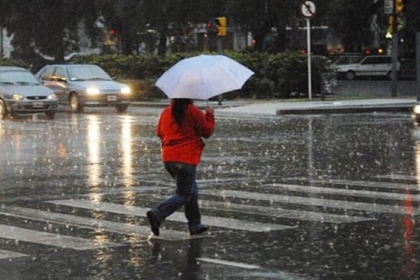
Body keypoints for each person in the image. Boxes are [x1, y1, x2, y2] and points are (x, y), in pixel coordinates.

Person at [146, 99, 215, 236]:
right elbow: (206, 132)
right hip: (186, 158)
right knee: (184, 194)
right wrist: (209, 115)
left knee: (191, 191)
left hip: (169, 158)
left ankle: (195, 225)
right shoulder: (193, 112)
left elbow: (159, 132)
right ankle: (159, 213)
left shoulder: (166, 112)